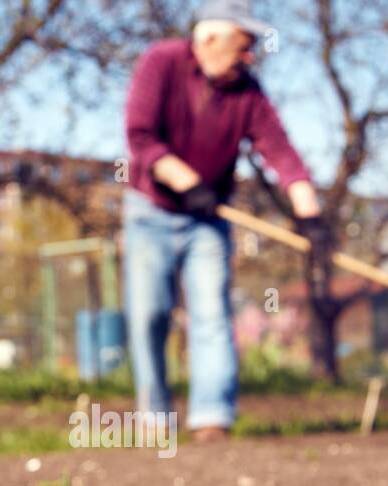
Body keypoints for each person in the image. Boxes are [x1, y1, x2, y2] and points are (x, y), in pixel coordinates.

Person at [123, 0, 329, 442]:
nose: (251, 55)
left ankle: (212, 419)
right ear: (210, 38)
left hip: (207, 222)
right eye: (244, 44)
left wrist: (308, 213)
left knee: (213, 314)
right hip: (150, 212)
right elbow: (140, 137)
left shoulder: (248, 93)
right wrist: (187, 182)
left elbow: (280, 152)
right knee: (150, 315)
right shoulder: (161, 62)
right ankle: (155, 420)